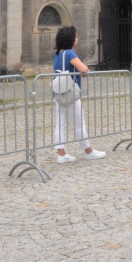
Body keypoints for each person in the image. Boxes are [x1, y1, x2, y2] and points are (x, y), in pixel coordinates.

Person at [53, 26, 105, 164]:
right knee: (79, 124)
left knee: (60, 124)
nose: (77, 39)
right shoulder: (70, 54)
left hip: (58, 93)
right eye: (75, 37)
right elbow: (83, 68)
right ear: (70, 39)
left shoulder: (57, 54)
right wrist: (85, 70)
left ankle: (61, 153)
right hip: (70, 94)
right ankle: (88, 150)